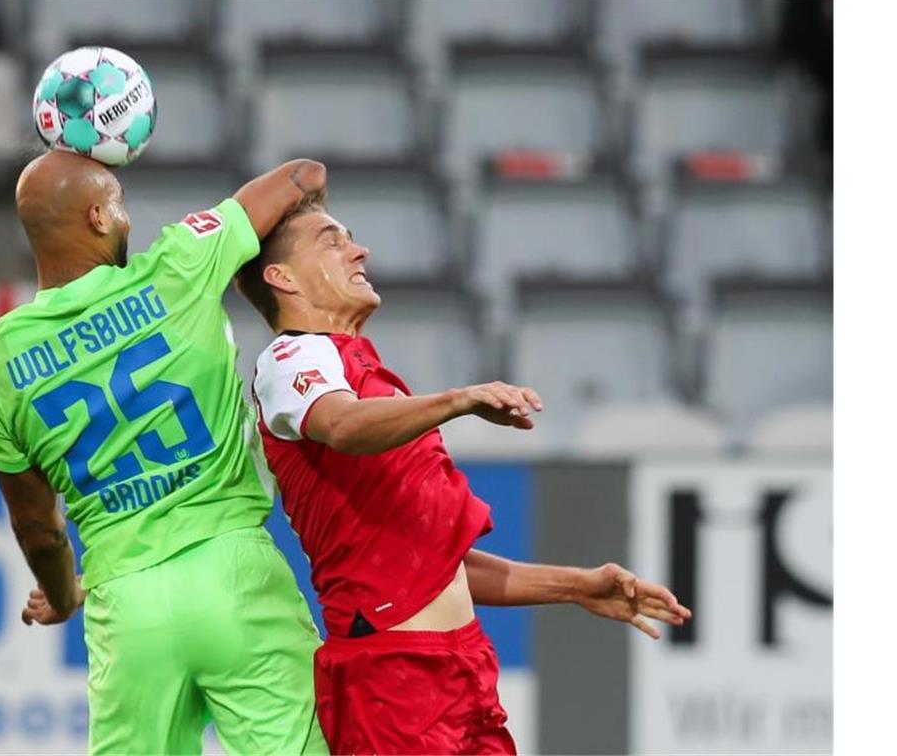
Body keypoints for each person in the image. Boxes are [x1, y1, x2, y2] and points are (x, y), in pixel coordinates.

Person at [235, 191, 693, 754]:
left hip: (461, 666)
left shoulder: (365, 372)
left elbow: (437, 567)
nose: (360, 251)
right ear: (282, 278)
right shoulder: (292, 358)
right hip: (393, 676)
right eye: (333, 240)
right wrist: (458, 399)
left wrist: (577, 586)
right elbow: (344, 425)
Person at [0, 150, 332, 755]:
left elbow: (35, 526)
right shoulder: (180, 266)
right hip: (235, 574)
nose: (128, 218)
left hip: (127, 605)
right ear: (98, 217)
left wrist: (63, 596)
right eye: (119, 203)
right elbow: (304, 176)